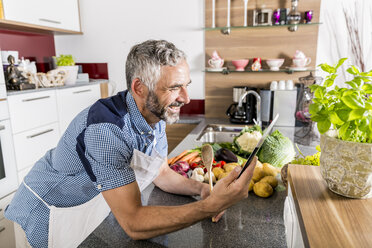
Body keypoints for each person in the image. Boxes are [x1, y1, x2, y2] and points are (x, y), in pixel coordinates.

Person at [5, 40, 257, 247]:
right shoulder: (106, 131)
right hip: (48, 214)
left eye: (186, 86)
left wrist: (199, 190)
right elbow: (134, 223)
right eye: (175, 87)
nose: (186, 98)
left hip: (94, 208)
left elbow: (160, 172)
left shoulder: (155, 112)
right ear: (139, 87)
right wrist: (209, 206)